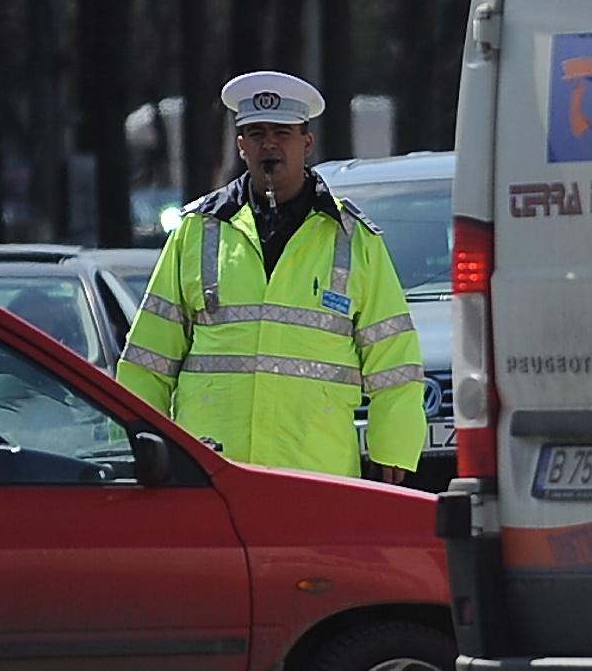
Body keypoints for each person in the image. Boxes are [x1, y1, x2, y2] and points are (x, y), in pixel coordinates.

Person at [118, 72, 423, 478]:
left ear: (306, 144)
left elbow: (394, 361)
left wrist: (393, 450)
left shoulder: (354, 239)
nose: (270, 144)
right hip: (214, 468)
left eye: (283, 132)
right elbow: (149, 357)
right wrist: (141, 446)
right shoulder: (198, 230)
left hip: (316, 472)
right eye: (256, 133)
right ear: (241, 145)